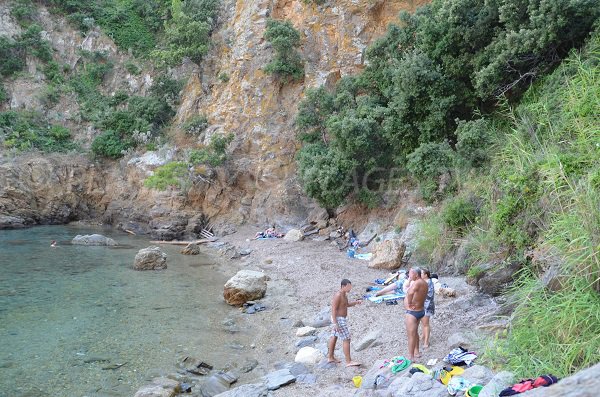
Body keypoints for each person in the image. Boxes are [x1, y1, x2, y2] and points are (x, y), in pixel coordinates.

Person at [327, 279, 362, 367]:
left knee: (334, 336)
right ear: (343, 286)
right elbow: (333, 309)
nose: (350, 288)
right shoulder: (338, 295)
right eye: (348, 287)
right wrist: (335, 323)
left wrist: (356, 303)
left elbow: (345, 305)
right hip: (338, 319)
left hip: (340, 318)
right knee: (346, 339)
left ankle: (330, 357)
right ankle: (348, 361)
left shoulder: (344, 295)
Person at [404, 267, 428, 361]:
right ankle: (416, 352)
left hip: (413, 312)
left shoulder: (417, 282)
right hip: (420, 311)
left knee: (411, 335)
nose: (409, 275)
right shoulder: (424, 283)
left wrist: (409, 303)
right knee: (415, 333)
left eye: (410, 274)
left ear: (416, 275)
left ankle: (411, 357)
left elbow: (410, 293)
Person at [420, 268, 435, 349]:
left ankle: (426, 342)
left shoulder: (428, 283)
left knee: (426, 324)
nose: (420, 275)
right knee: (423, 322)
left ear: (426, 275)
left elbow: (428, 295)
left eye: (422, 273)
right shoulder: (426, 282)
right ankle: (423, 336)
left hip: (427, 305)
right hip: (423, 304)